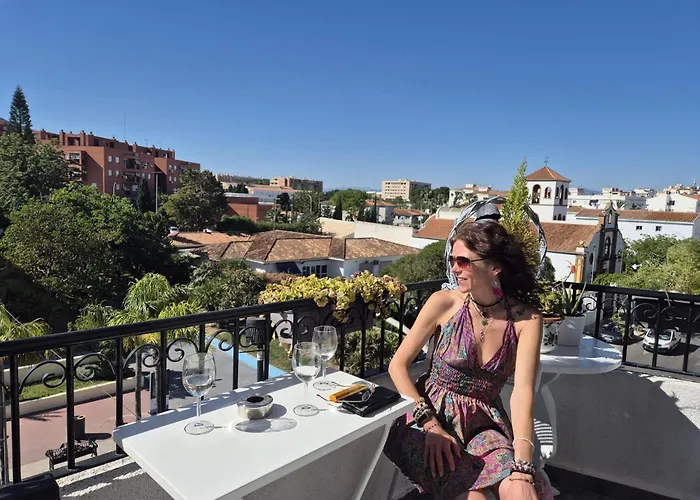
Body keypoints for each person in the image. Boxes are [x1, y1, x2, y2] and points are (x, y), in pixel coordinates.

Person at [384, 219, 553, 500]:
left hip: (483, 423)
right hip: (427, 416)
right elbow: (397, 366)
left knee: (525, 491)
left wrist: (523, 469)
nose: (454, 268)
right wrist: (431, 426)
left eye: (463, 261)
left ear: (495, 267)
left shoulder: (527, 319)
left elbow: (523, 393)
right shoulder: (444, 303)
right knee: (475, 496)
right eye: (453, 260)